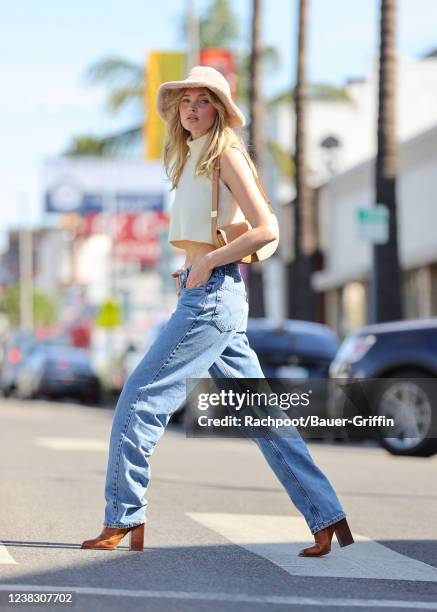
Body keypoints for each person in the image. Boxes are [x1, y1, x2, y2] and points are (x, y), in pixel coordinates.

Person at [81, 66, 354, 557]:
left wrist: (207, 261)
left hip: (211, 299)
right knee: (263, 416)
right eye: (185, 101)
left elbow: (265, 227)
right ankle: (327, 518)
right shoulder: (190, 159)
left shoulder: (225, 153)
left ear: (220, 111)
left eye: (202, 101)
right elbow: (208, 233)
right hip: (205, 292)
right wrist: (191, 266)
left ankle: (122, 519)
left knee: (138, 401)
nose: (191, 108)